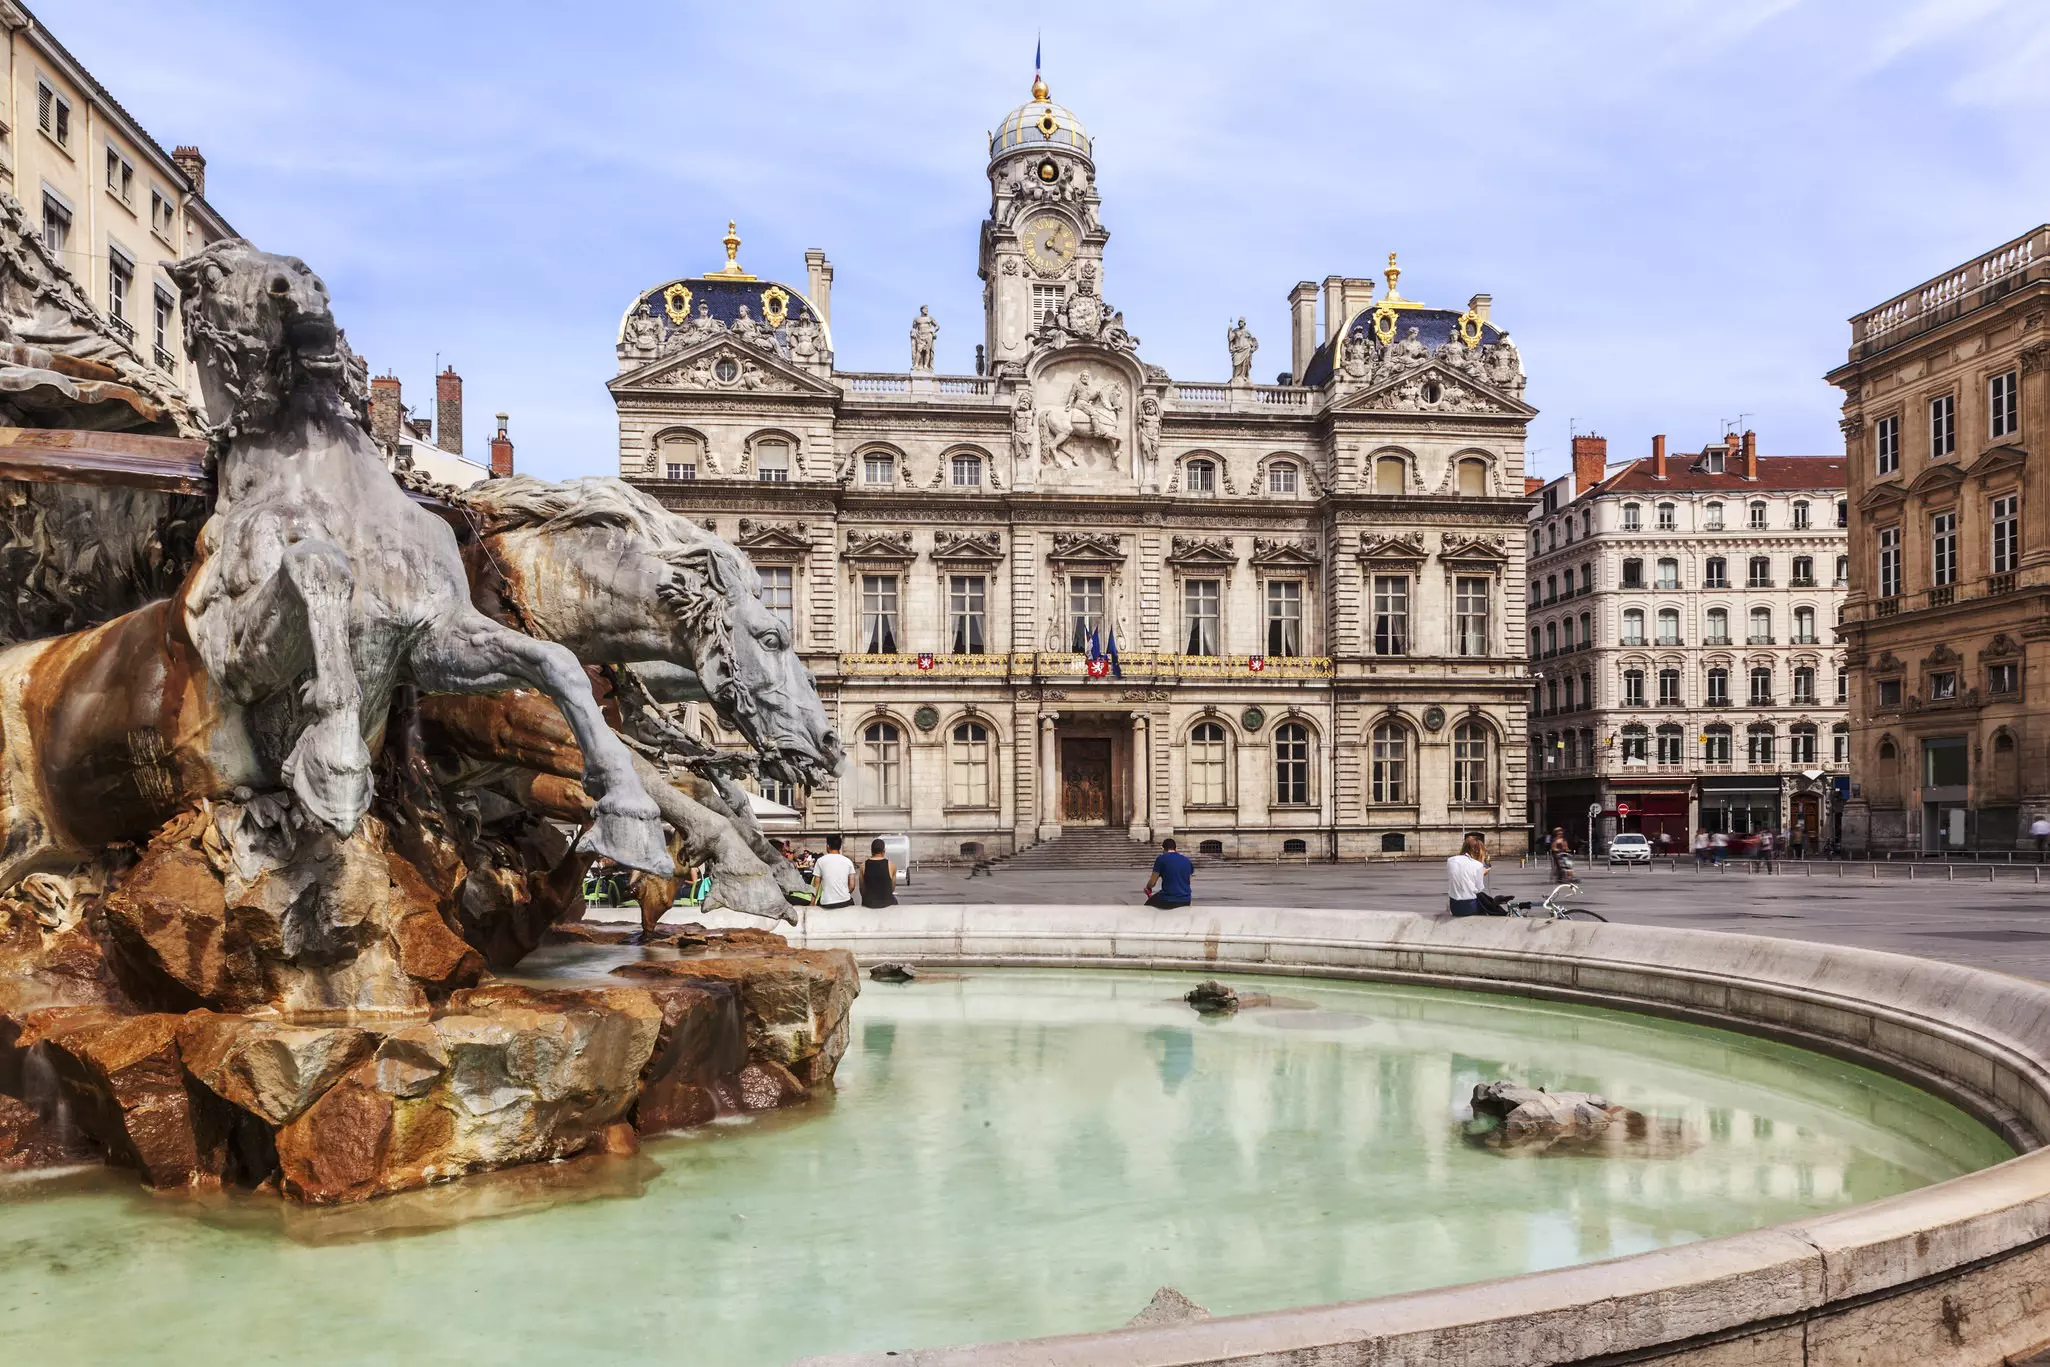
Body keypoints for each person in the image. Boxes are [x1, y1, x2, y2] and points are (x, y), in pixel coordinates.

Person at [1143, 837, 1194, 909]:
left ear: (1163, 849)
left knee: (1147, 907)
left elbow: (1152, 882)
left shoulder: (1161, 859)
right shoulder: (1187, 860)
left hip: (1168, 899)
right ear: (1175, 848)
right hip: (1186, 899)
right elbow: (1188, 880)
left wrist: (1148, 887)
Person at [1447, 834, 1490, 916]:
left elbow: (1458, 875)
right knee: (1486, 906)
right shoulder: (1478, 865)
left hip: (1454, 907)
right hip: (1469, 907)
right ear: (1478, 851)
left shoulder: (1451, 860)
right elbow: (1478, 889)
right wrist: (1481, 873)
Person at [812, 834, 856, 909]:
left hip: (827, 903)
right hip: (845, 902)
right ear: (840, 846)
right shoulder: (848, 861)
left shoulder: (820, 861)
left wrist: (812, 903)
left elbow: (815, 886)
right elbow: (852, 886)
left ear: (828, 846)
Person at [860, 837, 898, 909]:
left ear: (871, 851)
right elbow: (892, 888)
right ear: (883, 851)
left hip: (869, 903)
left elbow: (862, 889)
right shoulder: (891, 865)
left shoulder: (863, 865)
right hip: (886, 902)